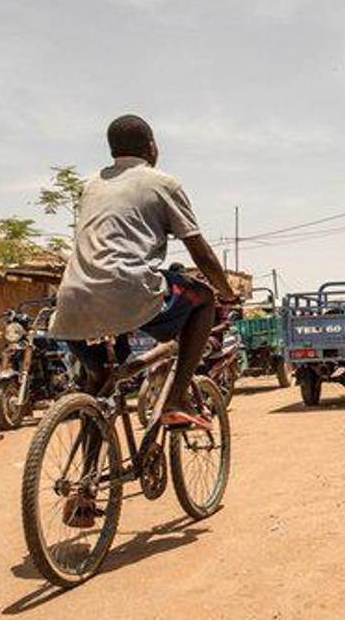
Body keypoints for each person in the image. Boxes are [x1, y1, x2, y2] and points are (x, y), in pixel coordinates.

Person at [49, 114, 236, 429]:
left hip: (71, 300)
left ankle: (91, 457)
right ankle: (176, 399)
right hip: (129, 290)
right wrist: (227, 292)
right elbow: (200, 252)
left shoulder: (90, 186)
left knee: (101, 385)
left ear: (112, 150)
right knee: (203, 297)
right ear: (152, 147)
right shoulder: (162, 183)